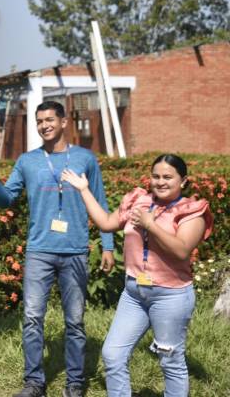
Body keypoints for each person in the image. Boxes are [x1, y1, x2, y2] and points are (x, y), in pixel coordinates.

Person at [0, 101, 115, 397]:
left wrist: (107, 245)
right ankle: (34, 382)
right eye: (39, 121)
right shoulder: (28, 161)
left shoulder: (85, 158)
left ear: (64, 122)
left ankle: (75, 383)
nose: (44, 125)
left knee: (75, 321)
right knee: (31, 318)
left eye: (50, 119)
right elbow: (6, 200)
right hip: (39, 250)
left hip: (75, 250)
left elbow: (101, 202)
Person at [61, 154, 212, 396]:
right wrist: (84, 190)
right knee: (113, 354)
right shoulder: (139, 201)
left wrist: (150, 225)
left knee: (170, 361)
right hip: (134, 293)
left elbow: (182, 250)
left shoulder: (191, 211)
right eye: (156, 176)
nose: (160, 182)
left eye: (168, 177)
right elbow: (107, 223)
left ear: (183, 181)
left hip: (170, 296)